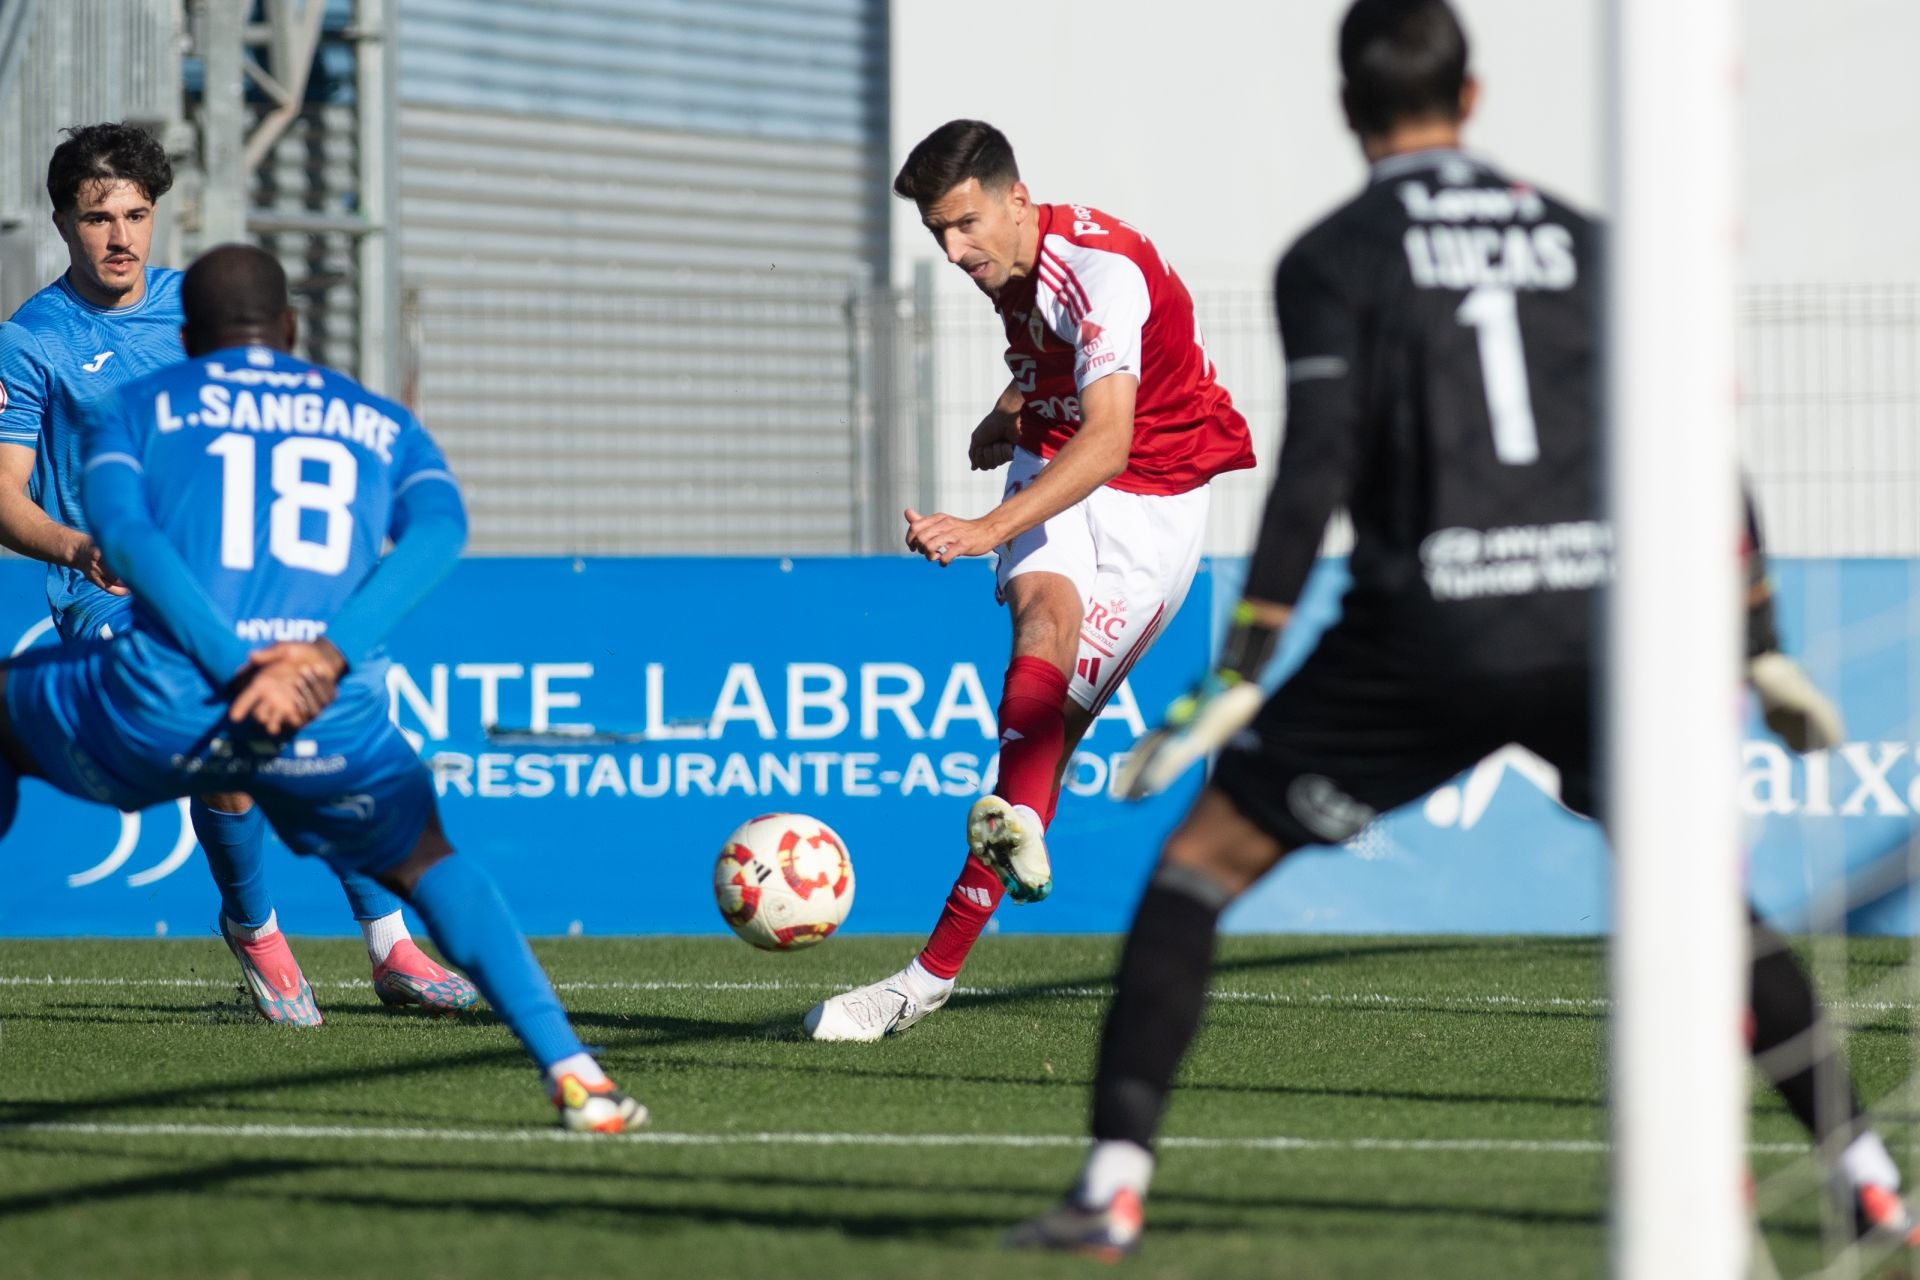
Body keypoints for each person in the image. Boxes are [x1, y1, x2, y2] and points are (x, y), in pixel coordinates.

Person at [1007, 0, 1912, 1256]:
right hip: (1597, 628)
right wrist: (1755, 632)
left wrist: (1245, 663)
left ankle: (1111, 1184)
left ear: (1345, 108)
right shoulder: (1592, 241)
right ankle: (1870, 1173)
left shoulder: (1333, 253)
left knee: (1197, 871)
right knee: (1703, 901)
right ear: (1473, 95)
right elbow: (1694, 431)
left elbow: (1315, 465)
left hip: (1419, 636)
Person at [0, 243, 643, 1130]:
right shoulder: (373, 419)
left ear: (187, 332)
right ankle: (576, 1073)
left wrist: (233, 666)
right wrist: (328, 654)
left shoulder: (140, 407)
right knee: (427, 857)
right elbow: (440, 527)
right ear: (293, 331)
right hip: (321, 706)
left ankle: (335, 944)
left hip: (174, 696)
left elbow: (125, 537)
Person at [0, 122, 474, 1023]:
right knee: (228, 738)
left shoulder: (202, 315)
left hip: (243, 583)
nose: (120, 237)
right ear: (62, 222)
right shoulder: (30, 343)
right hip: (111, 594)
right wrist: (77, 547)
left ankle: (389, 946)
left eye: (137, 215)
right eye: (98, 217)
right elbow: (3, 496)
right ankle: (256, 930)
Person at [805, 120, 1257, 1042]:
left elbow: (1111, 436)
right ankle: (975, 892)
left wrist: (984, 528)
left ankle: (928, 977)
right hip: (1059, 454)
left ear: (1019, 199)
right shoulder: (1010, 262)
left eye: (965, 225)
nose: (953, 249)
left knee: (1047, 736)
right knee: (1038, 621)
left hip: (1150, 494)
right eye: (938, 232)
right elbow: (1052, 367)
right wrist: (1011, 408)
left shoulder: (1102, 272)